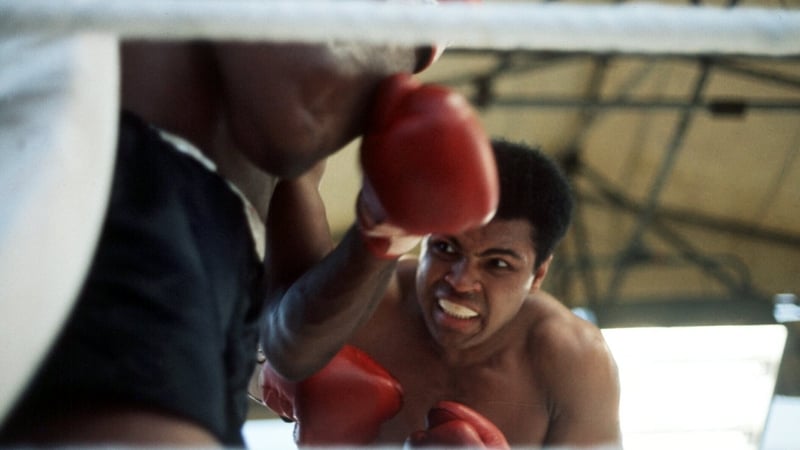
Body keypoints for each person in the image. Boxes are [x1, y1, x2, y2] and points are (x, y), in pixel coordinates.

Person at [0, 17, 500, 446]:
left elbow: (288, 343)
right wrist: (426, 24)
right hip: (123, 169)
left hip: (209, 261)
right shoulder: (291, 79)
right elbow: (296, 115)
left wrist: (383, 234)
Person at [259, 139, 622, 448]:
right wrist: (265, 369)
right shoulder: (358, 305)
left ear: (538, 273)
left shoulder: (572, 358)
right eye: (446, 248)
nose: (461, 282)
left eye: (497, 265)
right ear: (423, 238)